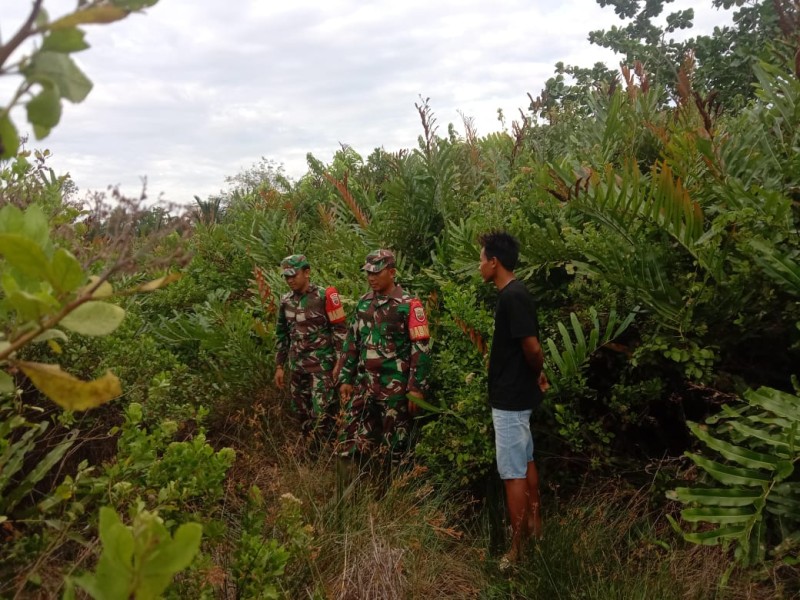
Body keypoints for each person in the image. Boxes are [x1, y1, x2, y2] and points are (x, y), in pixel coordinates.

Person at [478, 231, 548, 566]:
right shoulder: (514, 294)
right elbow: (525, 345)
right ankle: (536, 529)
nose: (479, 266)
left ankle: (516, 549)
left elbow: (532, 347)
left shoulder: (512, 296)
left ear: (495, 262)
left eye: (482, 259)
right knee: (526, 460)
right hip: (518, 395)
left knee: (513, 472)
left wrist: (537, 372)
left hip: (510, 400)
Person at [337, 249, 431, 461]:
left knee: (395, 449)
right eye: (368, 273)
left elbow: (421, 349)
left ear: (392, 272)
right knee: (352, 443)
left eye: (376, 273)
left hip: (394, 390)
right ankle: (358, 487)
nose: (371, 277)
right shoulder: (364, 303)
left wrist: (416, 388)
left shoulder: (409, 305)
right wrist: (345, 377)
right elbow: (352, 342)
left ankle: (395, 490)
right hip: (365, 386)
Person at [275, 254, 347, 441]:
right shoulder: (285, 301)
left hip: (321, 369)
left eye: (294, 275)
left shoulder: (325, 296)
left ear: (307, 272)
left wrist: (340, 363)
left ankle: (330, 455)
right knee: (301, 414)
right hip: (297, 368)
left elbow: (340, 331)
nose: (290, 280)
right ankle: (310, 454)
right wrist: (279, 366)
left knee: (323, 414)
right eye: (286, 277)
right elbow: (282, 334)